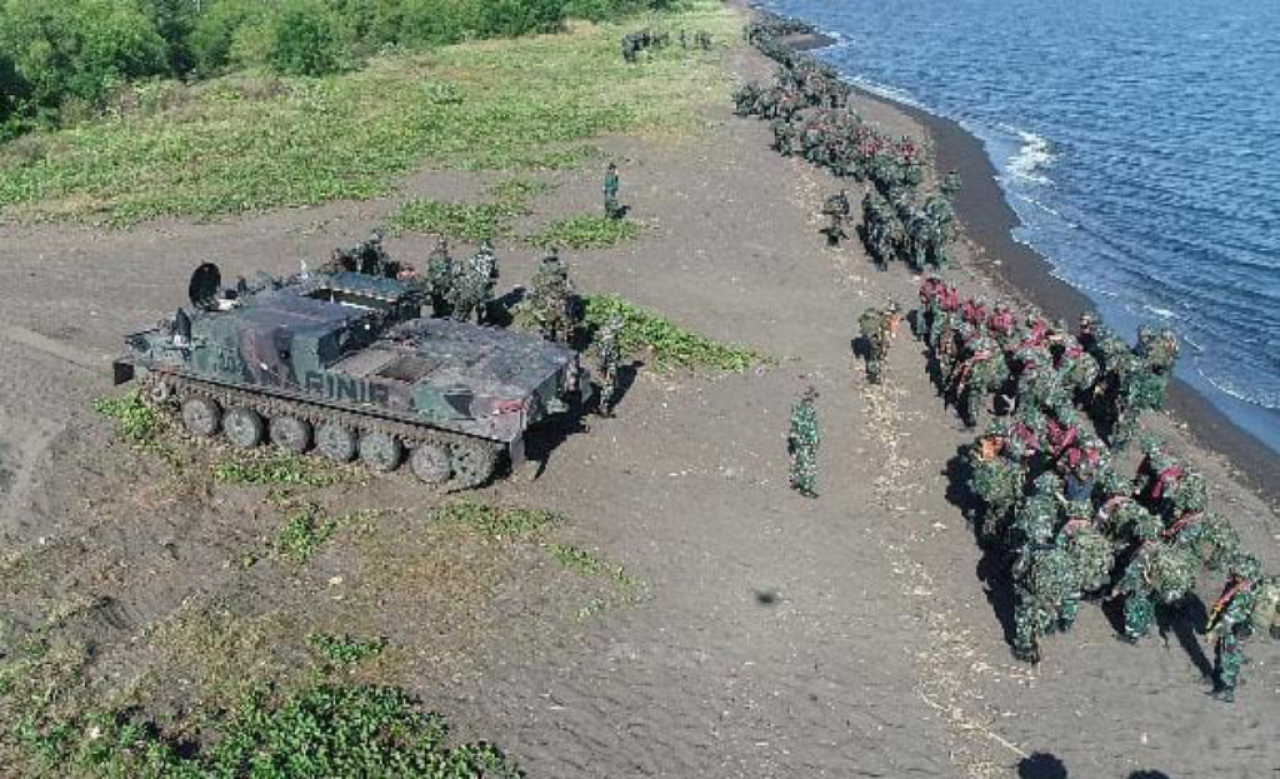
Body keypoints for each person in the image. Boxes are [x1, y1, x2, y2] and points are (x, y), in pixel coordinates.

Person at [1207, 553, 1263, 702]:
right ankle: (1222, 681)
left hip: (1232, 629)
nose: (1233, 575)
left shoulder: (1241, 594)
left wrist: (1214, 629)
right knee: (1230, 655)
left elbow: (1228, 617)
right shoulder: (1252, 588)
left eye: (1237, 574)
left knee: (1229, 658)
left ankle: (1227, 690)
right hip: (1240, 629)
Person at [788, 386, 820, 498]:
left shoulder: (796, 409)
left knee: (798, 461)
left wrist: (793, 438)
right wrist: (815, 442)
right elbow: (812, 430)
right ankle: (806, 488)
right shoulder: (810, 412)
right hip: (806, 441)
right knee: (808, 465)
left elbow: (793, 426)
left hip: (797, 440)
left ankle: (796, 482)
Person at [593, 316, 624, 416]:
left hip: (609, 363)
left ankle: (602, 403)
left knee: (608, 384)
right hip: (608, 365)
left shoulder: (607, 333)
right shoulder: (609, 339)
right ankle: (603, 408)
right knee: (608, 386)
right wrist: (601, 369)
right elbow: (603, 356)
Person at [426, 237, 455, 318]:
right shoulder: (437, 256)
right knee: (438, 299)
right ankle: (439, 312)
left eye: (443, 244)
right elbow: (431, 270)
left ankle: (440, 312)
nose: (442, 246)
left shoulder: (444, 256)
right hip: (439, 282)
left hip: (442, 282)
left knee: (440, 299)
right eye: (441, 244)